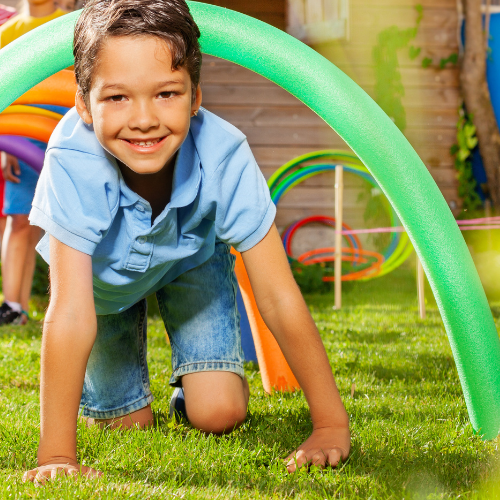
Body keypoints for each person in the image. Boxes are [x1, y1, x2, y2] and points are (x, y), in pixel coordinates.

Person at [22, 0, 350, 482]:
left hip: (189, 259)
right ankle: (122, 399)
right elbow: (70, 313)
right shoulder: (73, 160)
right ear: (83, 103)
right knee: (127, 427)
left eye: (166, 94)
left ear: (196, 97)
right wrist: (56, 454)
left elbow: (278, 297)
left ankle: (193, 390)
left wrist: (329, 424)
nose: (144, 119)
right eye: (117, 98)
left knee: (219, 415)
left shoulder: (224, 154)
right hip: (100, 287)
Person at [0, 0, 65, 325]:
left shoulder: (66, 24)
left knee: (61, 219)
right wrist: (6, 146)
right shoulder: (7, 31)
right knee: (19, 219)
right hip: (21, 134)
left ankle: (75, 300)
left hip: (62, 128)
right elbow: (3, 91)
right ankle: (13, 307)